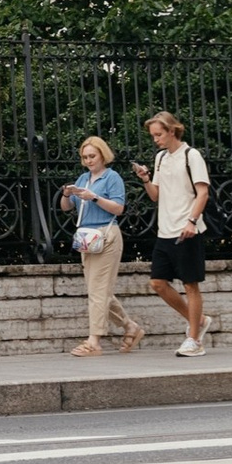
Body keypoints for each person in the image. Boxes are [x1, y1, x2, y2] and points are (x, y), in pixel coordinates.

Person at [134, 111, 216, 357]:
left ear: (172, 131)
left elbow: (203, 193)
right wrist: (146, 179)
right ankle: (198, 321)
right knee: (158, 283)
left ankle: (194, 340)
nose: (156, 139)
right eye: (153, 135)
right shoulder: (160, 158)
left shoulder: (191, 155)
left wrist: (192, 221)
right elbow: (156, 195)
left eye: (159, 134)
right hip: (165, 230)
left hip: (187, 229)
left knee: (190, 284)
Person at [58, 135, 140, 356]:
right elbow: (66, 207)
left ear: (103, 155)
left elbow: (118, 208)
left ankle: (94, 341)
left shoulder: (112, 177)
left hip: (106, 234)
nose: (89, 160)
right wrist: (67, 194)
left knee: (98, 291)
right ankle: (130, 326)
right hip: (87, 238)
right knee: (98, 290)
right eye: (85, 157)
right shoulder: (83, 178)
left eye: (92, 156)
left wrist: (94, 197)